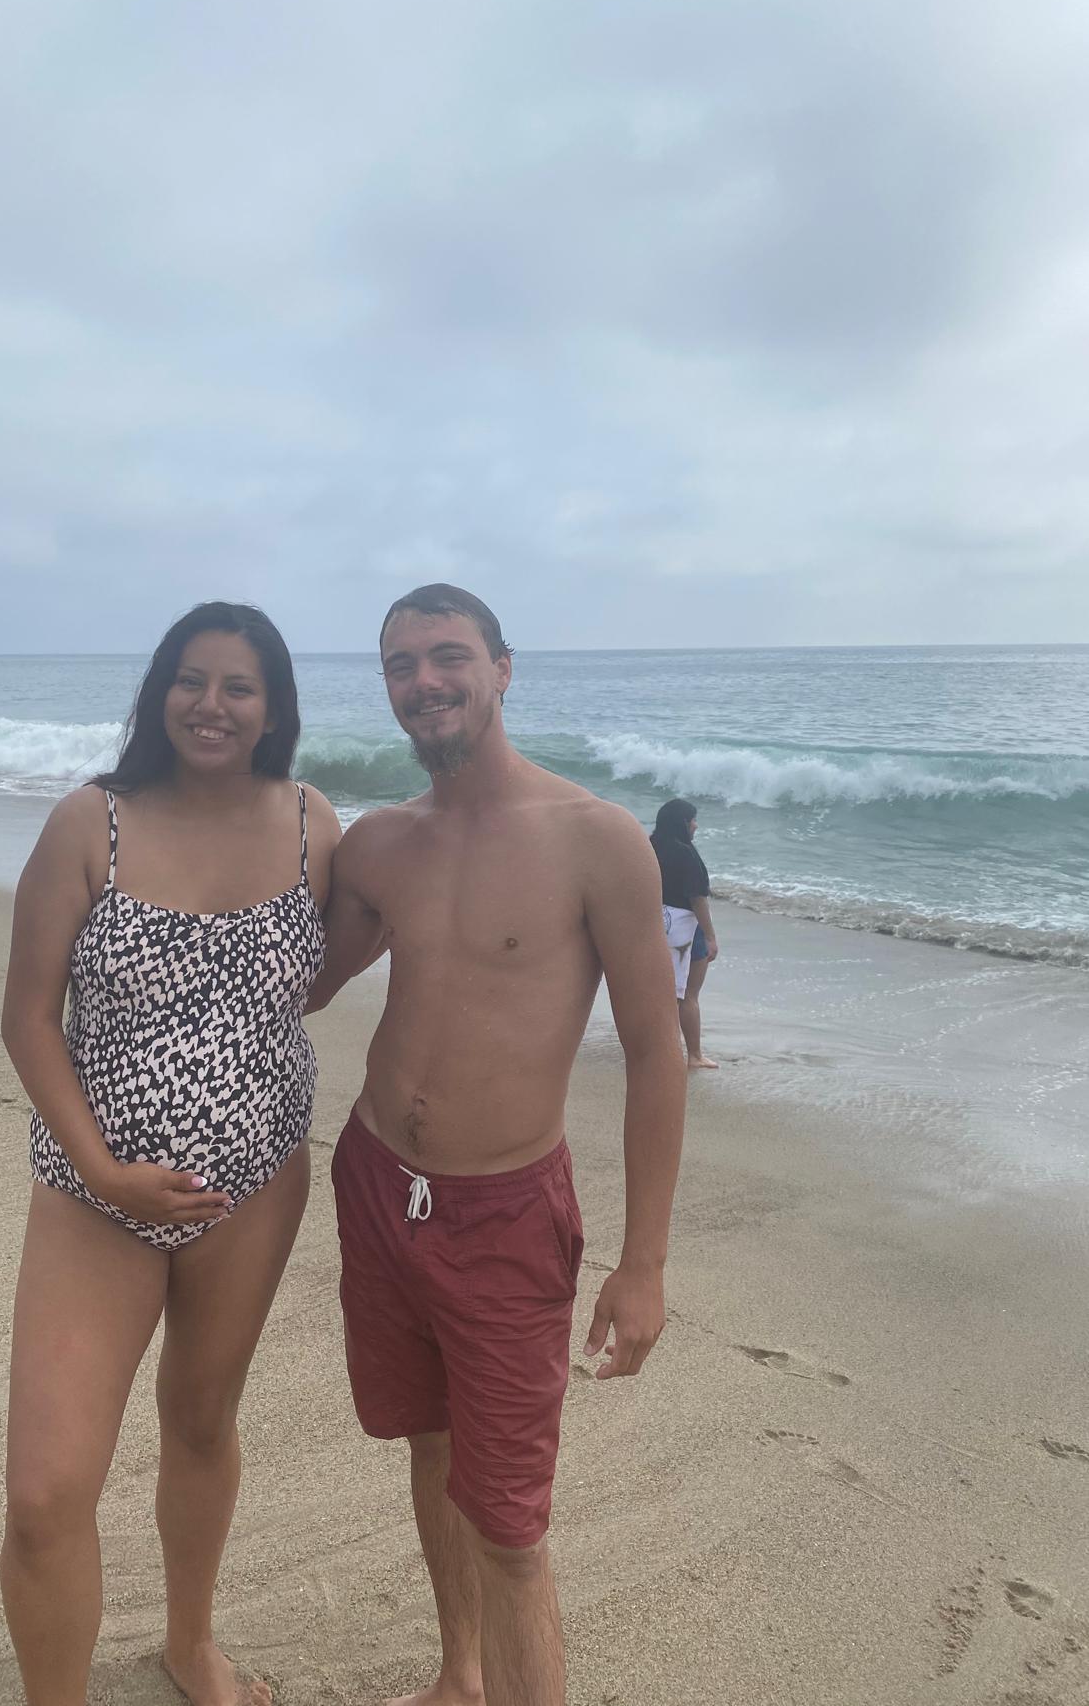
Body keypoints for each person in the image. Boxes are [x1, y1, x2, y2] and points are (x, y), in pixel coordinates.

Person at [307, 584, 686, 1706]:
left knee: (512, 1527)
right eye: (399, 665)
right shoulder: (381, 844)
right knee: (428, 1446)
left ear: (503, 668)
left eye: (446, 656)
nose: (422, 682)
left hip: (504, 1216)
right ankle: (457, 1675)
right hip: (377, 1184)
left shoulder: (598, 843)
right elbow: (305, 985)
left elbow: (658, 1053)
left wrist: (646, 1262)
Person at [0, 602, 340, 1706]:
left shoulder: (310, 825)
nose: (212, 704)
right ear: (158, 692)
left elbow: (326, 968)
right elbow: (27, 1018)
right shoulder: (88, 822)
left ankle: (191, 1643)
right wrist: (99, 1165)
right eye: (190, 680)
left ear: (274, 709)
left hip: (256, 1181)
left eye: (239, 686)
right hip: (94, 1192)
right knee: (47, 1495)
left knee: (200, 1418)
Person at [651, 798, 719, 1071]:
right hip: (685, 928)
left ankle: (656, 1048)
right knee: (688, 995)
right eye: (692, 819)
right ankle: (694, 1054)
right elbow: (698, 898)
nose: (696, 825)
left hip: (655, 924)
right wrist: (711, 936)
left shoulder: (649, 845)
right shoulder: (686, 854)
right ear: (682, 823)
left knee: (659, 993)